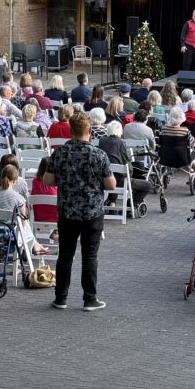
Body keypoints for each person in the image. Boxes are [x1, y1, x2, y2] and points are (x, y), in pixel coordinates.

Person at [44, 112, 116, 311]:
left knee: (65, 255)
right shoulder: (98, 155)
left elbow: (48, 180)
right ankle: (89, 299)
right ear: (89, 130)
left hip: (67, 211)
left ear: (71, 130)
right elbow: (111, 184)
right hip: (92, 212)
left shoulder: (59, 153)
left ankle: (61, 298)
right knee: (90, 256)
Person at [98, 120, 151, 208]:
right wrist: (130, 172)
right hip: (118, 182)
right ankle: (130, 205)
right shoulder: (121, 142)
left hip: (104, 179)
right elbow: (126, 163)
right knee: (147, 185)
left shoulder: (102, 141)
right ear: (119, 131)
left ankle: (112, 202)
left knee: (114, 172)